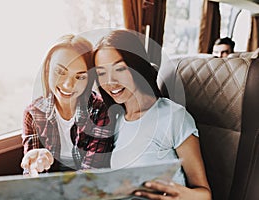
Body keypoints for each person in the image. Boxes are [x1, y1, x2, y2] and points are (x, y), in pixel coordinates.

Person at [93, 30, 212, 200]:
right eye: (101, 73)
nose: (110, 81)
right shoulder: (115, 121)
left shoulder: (173, 116)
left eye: (120, 69)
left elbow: (205, 194)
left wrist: (177, 196)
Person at [20, 34, 115, 176]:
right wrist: (33, 167)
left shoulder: (100, 111)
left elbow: (91, 175)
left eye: (80, 77)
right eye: (60, 72)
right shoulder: (33, 114)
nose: (68, 85)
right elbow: (32, 177)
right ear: (47, 70)